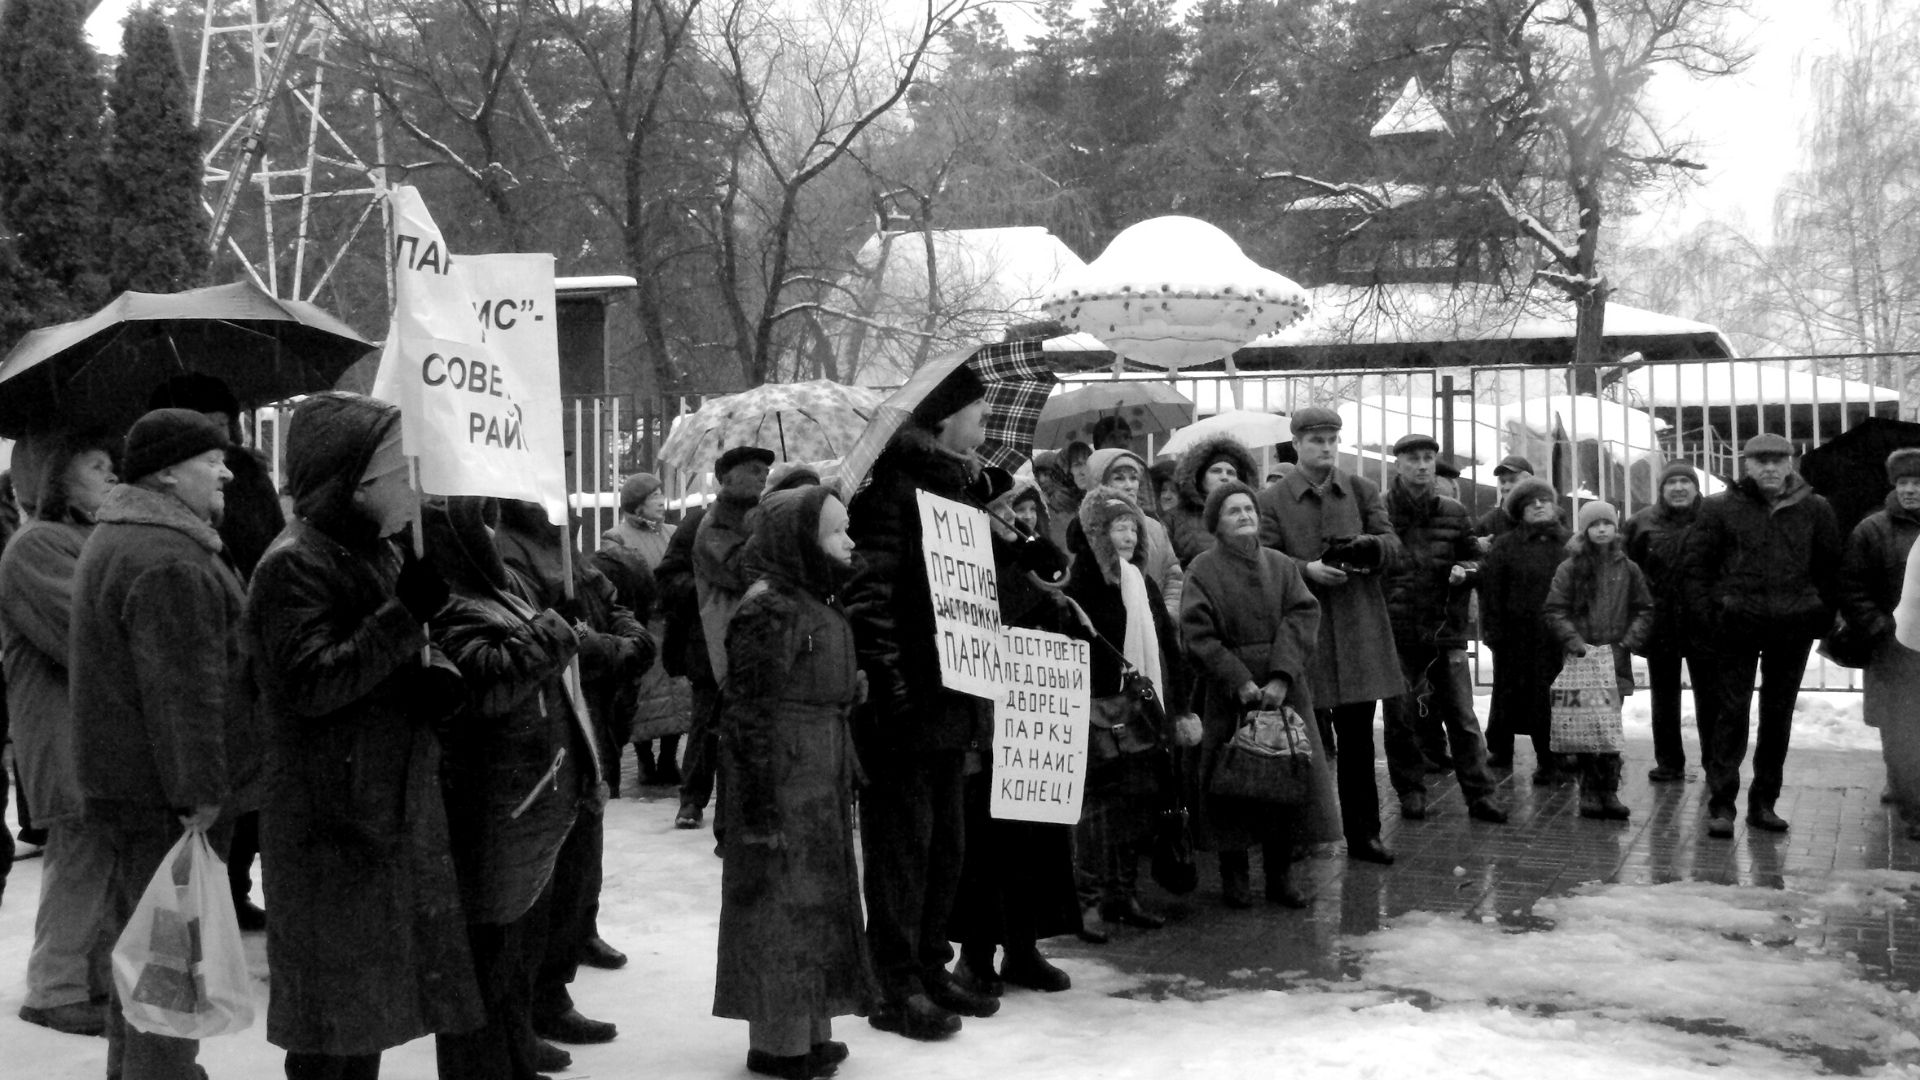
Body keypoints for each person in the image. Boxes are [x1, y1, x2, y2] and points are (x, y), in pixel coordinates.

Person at [246, 392, 484, 1080]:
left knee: (366, 1011)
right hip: (330, 822)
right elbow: (312, 684)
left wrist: (432, 678)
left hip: (379, 809)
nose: (417, 488)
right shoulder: (294, 562)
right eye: (400, 472)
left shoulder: (374, 551)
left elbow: (385, 663)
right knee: (334, 1021)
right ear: (350, 480)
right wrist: (401, 618)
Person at [70, 407, 262, 1080]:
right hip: (166, 802)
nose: (227, 472)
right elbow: (186, 690)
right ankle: (161, 1072)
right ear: (169, 474)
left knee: (146, 958)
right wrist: (201, 794)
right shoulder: (168, 557)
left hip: (129, 788)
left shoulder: (129, 537)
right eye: (212, 460)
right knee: (171, 966)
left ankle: (142, 1072)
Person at [845, 361, 1002, 1040]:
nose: (987, 426)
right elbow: (870, 598)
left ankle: (931, 966)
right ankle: (894, 983)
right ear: (945, 418)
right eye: (979, 415)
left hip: (953, 698)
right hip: (907, 703)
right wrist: (891, 690)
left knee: (946, 846)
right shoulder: (890, 492)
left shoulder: (959, 492)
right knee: (902, 851)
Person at [424, 495, 596, 1080]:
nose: (494, 531)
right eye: (483, 520)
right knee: (487, 961)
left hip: (531, 802)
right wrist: (555, 628)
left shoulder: (496, 590)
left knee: (516, 954)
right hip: (495, 808)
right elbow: (489, 687)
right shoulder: (444, 602)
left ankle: (515, 1054)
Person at [713, 485, 878, 1080]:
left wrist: (843, 689)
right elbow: (746, 714)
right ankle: (777, 1043)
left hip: (818, 774)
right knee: (781, 911)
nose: (849, 541)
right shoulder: (768, 607)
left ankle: (808, 1028)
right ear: (800, 541)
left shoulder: (813, 597)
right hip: (784, 780)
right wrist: (754, 809)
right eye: (836, 531)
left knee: (818, 906)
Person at [496, 500, 651, 1039]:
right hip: (548, 726)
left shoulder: (571, 552)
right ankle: (537, 998)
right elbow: (554, 639)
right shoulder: (507, 554)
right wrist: (608, 645)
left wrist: (619, 638)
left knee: (584, 846)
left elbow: (609, 605)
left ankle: (568, 954)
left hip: (590, 716)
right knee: (550, 868)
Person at [148, 376, 285, 931]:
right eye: (206, 426)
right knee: (225, 786)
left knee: (251, 790)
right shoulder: (167, 538)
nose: (220, 438)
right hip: (226, 624)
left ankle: (235, 889)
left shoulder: (248, 472)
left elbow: (271, 537)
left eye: (223, 422)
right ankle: (217, 896)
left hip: (253, 615)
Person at [4, 431, 118, 1036]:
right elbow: (88, 635)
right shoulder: (37, 546)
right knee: (79, 856)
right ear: (56, 479)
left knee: (98, 856)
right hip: (63, 728)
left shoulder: (84, 537)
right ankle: (55, 986)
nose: (112, 476)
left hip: (88, 728)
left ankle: (89, 980)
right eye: (97, 466)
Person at [947, 482, 1079, 998]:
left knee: (1033, 839)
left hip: (1034, 713)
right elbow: (986, 616)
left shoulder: (1027, 556)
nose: (1016, 516)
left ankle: (1023, 949)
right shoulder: (967, 556)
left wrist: (1058, 592)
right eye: (1005, 508)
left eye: (1023, 508)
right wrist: (1032, 582)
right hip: (987, 719)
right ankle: (976, 955)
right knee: (985, 841)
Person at [1255, 407, 1402, 865]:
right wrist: (1306, 569)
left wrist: (1371, 546)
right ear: (1296, 444)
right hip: (1305, 635)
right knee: (1302, 739)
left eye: (1332, 439)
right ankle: (1300, 830)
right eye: (1316, 439)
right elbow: (1262, 557)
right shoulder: (1274, 499)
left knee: (1358, 741)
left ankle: (1365, 834)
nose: (1326, 446)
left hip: (1359, 630)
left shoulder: (1360, 490)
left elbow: (1394, 545)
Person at [1180, 481, 1337, 908]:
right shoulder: (1203, 569)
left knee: (1282, 783)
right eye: (1233, 511)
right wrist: (1238, 679)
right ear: (1217, 522)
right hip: (1229, 696)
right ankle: (1235, 876)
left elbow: (1302, 616)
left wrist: (1283, 674)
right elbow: (1196, 633)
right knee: (1233, 785)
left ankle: (1280, 875)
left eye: (1249, 508)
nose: (1245, 516)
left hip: (1284, 690)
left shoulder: (1282, 565)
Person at [1683, 433, 1842, 838]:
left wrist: (1819, 613)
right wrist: (1712, 614)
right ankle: (1722, 804)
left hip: (1792, 625)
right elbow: (1698, 568)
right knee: (1729, 715)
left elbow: (1828, 568)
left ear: (1790, 464)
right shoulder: (1720, 508)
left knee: (1778, 716)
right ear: (1747, 465)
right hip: (1736, 623)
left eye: (1777, 461)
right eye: (1761, 461)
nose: (1769, 468)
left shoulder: (1815, 508)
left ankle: (1764, 802)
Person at [1063, 486, 1190, 940]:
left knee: (1133, 803)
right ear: (1098, 533)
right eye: (1119, 527)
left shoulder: (1143, 583)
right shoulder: (1077, 584)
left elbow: (1167, 647)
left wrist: (1180, 710)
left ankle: (1122, 893)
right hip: (1093, 712)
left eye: (1134, 527)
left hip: (1139, 711)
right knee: (1094, 812)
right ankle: (1088, 901)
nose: (1130, 536)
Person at [1379, 434, 1508, 825]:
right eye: (1413, 458)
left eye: (1428, 458)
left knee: (1462, 717)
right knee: (1400, 716)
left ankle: (1480, 794)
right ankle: (1411, 791)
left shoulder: (1453, 511)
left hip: (1444, 628)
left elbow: (1477, 559)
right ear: (1397, 464)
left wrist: (1465, 571)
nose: (1422, 465)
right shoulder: (1380, 512)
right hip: (1396, 629)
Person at [681, 445, 774, 830]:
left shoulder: (755, 515)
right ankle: (700, 806)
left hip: (751, 638)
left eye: (765, 472)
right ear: (727, 476)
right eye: (753, 470)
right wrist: (765, 531)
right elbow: (740, 570)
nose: (761, 477)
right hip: (721, 643)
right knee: (714, 729)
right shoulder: (713, 524)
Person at [1543, 501, 1653, 821]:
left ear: (1616, 527)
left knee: (1609, 727)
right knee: (1586, 727)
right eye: (1594, 524)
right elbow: (1555, 609)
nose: (1602, 529)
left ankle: (1609, 790)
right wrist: (1575, 643)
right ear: (1585, 529)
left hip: (1614, 658)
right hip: (1581, 658)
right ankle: (1589, 790)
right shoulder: (1570, 568)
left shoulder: (1628, 568)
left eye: (1607, 523)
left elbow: (1644, 608)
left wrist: (1628, 641)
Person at [1838, 448, 1920, 842]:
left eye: (1917, 484)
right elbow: (1853, 587)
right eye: (1903, 483)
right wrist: (1879, 626)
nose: (1910, 491)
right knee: (1899, 727)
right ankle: (1913, 805)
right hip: (1893, 647)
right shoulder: (1872, 530)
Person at [1478, 477, 1574, 781]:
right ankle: (1503, 748)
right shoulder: (1506, 545)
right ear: (1519, 511)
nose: (1538, 505)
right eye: (1530, 502)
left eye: (1544, 500)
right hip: (1515, 636)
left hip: (1560, 637)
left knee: (1553, 699)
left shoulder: (1571, 544)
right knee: (1511, 695)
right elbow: (1492, 591)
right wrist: (1492, 630)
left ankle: (1552, 759)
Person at [1622, 462, 1709, 782]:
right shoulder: (1641, 523)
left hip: (1705, 621)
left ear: (1696, 486)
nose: (1678, 487)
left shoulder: (1712, 518)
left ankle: (1715, 763)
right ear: (1661, 489)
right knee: (1664, 697)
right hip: (1660, 622)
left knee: (1710, 697)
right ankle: (1669, 761)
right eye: (1671, 482)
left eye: (1685, 481)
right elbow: (1627, 568)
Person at [596, 472, 677, 787]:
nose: (661, 501)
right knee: (644, 697)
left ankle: (669, 759)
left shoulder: (672, 533)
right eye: (653, 496)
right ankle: (645, 760)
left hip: (670, 626)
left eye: (660, 494)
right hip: (641, 625)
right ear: (637, 504)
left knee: (676, 698)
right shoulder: (616, 536)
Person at [1084, 447, 1183, 610]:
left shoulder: (1155, 528)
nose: (1129, 486)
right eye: (1119, 478)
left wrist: (1166, 617)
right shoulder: (1087, 528)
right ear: (1099, 482)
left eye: (1134, 478)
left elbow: (1173, 576)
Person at [1167, 434, 1259, 567]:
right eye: (1216, 471)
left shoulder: (1251, 516)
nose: (1224, 477)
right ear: (1199, 478)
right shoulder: (1174, 519)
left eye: (1231, 473)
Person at [1473, 455, 1537, 549]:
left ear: (1530, 482)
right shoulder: (1488, 523)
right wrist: (1476, 548)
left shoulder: (1548, 515)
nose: (1506, 487)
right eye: (1502, 481)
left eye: (1513, 480)